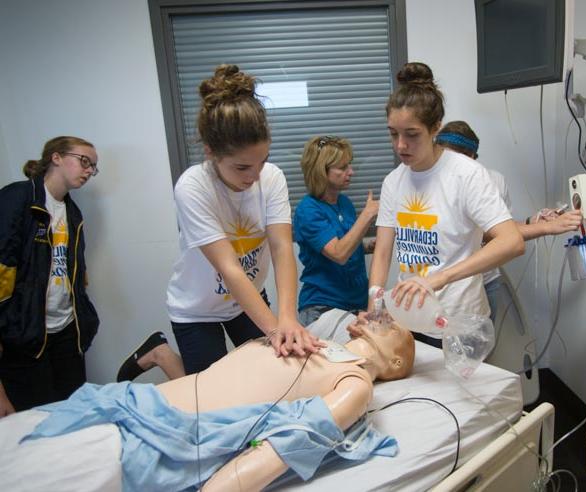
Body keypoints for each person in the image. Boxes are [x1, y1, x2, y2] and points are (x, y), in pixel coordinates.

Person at [1, 321, 415, 491]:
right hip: (123, 405)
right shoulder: (307, 336)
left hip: (140, 448)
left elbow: (288, 444)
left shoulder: (355, 382)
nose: (380, 315)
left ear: (395, 363)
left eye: (391, 324)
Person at [166, 64, 321, 375]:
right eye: (241, 168)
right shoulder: (193, 186)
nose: (254, 176)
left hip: (247, 299)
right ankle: (157, 352)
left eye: (261, 162)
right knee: (214, 390)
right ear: (210, 153)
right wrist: (276, 331)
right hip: (197, 310)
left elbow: (281, 249)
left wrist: (287, 318)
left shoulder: (272, 177)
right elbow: (229, 268)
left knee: (271, 373)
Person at [366, 62, 525, 348]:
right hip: (412, 318)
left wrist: (439, 279)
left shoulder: (466, 174)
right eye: (393, 134)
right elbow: (383, 250)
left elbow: (512, 241)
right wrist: (375, 301)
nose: (400, 145)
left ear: (435, 128)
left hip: (459, 322)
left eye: (411, 135)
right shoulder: (393, 181)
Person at [435, 120, 583, 318]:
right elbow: (489, 235)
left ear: (472, 157)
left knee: (483, 344)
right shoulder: (435, 184)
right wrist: (547, 228)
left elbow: (502, 231)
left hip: (486, 280)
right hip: (451, 286)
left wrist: (533, 222)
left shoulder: (492, 180)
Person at [0, 136, 100, 416]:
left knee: (73, 413)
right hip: (26, 338)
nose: (89, 171)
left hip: (67, 330)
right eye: (84, 161)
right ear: (56, 157)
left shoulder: (73, 212)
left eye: (93, 167)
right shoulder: (17, 198)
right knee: (39, 421)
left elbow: (76, 273)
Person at [293, 136, 379, 326]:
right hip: (323, 307)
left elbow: (344, 243)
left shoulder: (344, 203)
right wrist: (368, 214)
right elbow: (339, 253)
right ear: (321, 171)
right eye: (342, 168)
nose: (351, 172)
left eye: (350, 165)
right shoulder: (308, 210)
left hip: (357, 304)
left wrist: (366, 247)